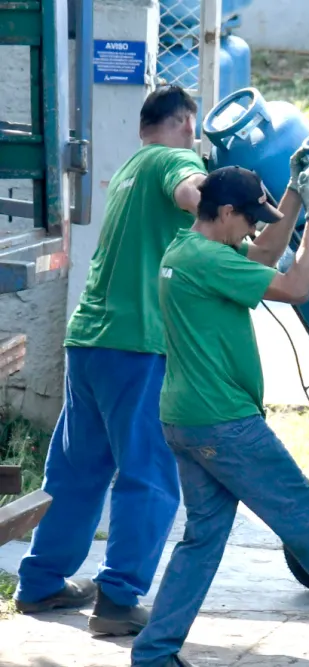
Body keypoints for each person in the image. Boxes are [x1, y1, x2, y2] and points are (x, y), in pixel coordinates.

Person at [130, 166, 309, 667]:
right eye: (249, 219)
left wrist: (290, 195)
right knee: (305, 516)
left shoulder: (190, 249)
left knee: (201, 540)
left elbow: (263, 254)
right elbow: (296, 286)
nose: (254, 229)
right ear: (224, 213)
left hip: (185, 419)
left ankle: (154, 654)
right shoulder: (208, 261)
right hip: (224, 422)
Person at [15, 85, 209, 635]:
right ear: (186, 125)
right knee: (148, 471)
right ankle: (119, 601)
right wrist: (214, 196)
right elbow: (191, 190)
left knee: (78, 469)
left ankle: (41, 583)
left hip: (89, 340)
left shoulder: (129, 169)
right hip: (137, 343)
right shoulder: (175, 159)